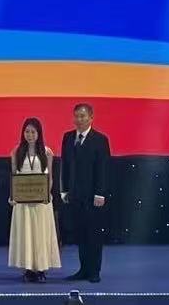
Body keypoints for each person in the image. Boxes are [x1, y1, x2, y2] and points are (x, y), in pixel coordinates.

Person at [60, 103, 110, 283]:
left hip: (93, 197)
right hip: (74, 195)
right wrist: (64, 189)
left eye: (82, 116)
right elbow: (65, 165)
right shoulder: (68, 137)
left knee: (93, 234)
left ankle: (94, 271)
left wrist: (100, 193)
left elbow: (103, 168)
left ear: (91, 118)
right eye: (76, 116)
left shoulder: (100, 139)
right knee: (80, 234)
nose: (79, 120)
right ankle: (83, 269)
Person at [8, 118, 60, 282]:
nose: (29, 135)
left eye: (33, 132)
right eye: (27, 131)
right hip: (23, 202)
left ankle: (41, 269)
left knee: (40, 235)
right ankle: (29, 269)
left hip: (41, 202)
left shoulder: (47, 152)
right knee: (26, 234)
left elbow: (50, 177)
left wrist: (46, 194)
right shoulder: (16, 152)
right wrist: (13, 196)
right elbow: (14, 176)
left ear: (39, 134)